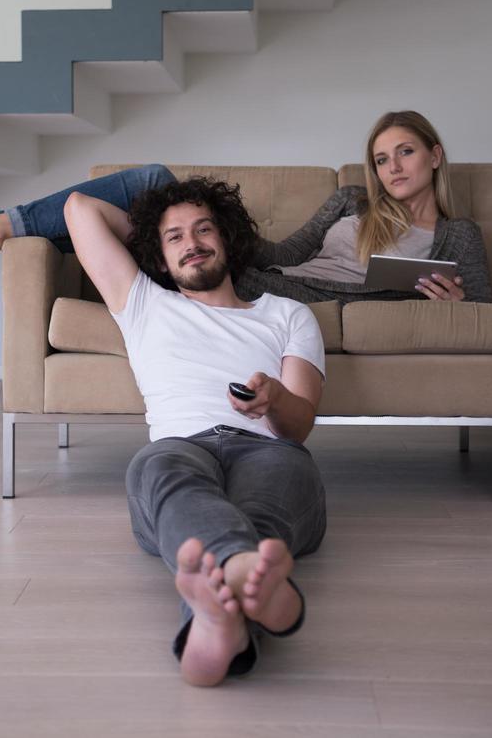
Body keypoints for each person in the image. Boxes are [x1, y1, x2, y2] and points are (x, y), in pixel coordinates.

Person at [63, 174, 327, 685]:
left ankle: (215, 620)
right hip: (180, 448)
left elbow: (299, 429)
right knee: (158, 467)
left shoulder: (288, 315)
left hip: (268, 450)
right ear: (157, 258)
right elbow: (79, 208)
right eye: (176, 237)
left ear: (227, 238)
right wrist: (149, 233)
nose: (193, 244)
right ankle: (259, 596)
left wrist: (274, 399)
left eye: (206, 230)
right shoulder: (143, 302)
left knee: (278, 481)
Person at [0, 109, 492, 301]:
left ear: (435, 156)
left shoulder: (458, 235)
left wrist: (457, 306)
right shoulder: (351, 200)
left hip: (286, 299)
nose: (392, 168)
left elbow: (491, 312)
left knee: (134, 197)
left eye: (405, 153)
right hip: (257, 272)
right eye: (383, 158)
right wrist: (222, 230)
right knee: (154, 181)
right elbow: (289, 254)